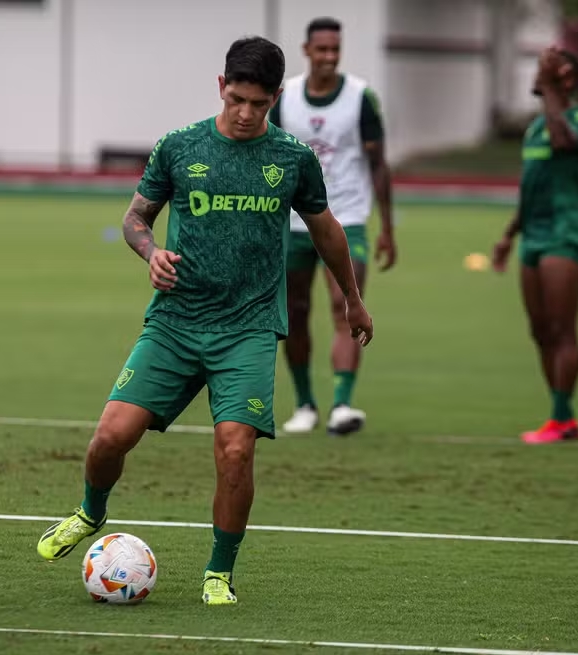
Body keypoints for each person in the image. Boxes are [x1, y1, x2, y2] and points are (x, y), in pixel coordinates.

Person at [36, 36, 374, 605]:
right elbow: (135, 218)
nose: (245, 114)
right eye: (237, 99)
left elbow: (325, 229)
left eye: (259, 104)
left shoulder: (293, 158)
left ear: (274, 101)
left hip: (246, 329)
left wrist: (352, 298)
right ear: (222, 87)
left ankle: (219, 572)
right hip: (174, 324)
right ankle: (90, 512)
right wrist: (151, 253)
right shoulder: (179, 146)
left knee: (236, 449)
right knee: (108, 439)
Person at [267, 17, 396, 437]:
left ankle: (342, 404)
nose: (328, 57)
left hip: (349, 219)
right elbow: (269, 160)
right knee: (295, 315)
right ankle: (305, 404)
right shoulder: (285, 100)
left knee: (347, 308)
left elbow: (378, 164)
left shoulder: (360, 98)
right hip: (292, 223)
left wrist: (387, 228)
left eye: (334, 50)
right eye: (321, 49)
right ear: (307, 50)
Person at [492, 46, 578, 444]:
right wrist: (509, 235)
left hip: (564, 233)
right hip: (533, 234)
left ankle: (560, 418)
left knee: (562, 328)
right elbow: (530, 187)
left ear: (568, 80)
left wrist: (552, 88)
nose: (544, 76)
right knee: (540, 330)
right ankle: (562, 417)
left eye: (556, 72)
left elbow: (564, 140)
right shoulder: (534, 129)